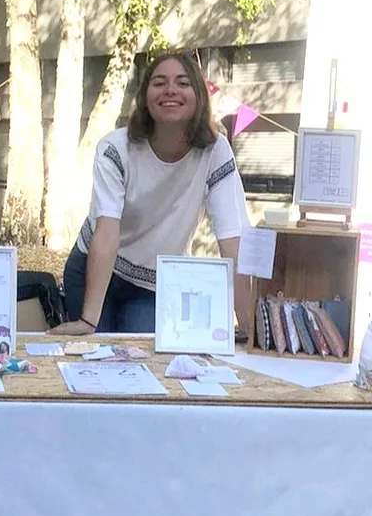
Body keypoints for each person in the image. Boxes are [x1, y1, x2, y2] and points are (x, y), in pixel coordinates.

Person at [49, 51, 253, 335]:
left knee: (143, 358)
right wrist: (88, 322)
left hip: (154, 283)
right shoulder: (115, 148)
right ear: (145, 95)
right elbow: (106, 231)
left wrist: (247, 325)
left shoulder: (215, 152)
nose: (170, 90)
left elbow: (233, 240)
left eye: (183, 83)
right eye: (159, 82)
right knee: (95, 356)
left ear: (199, 95)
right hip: (92, 271)